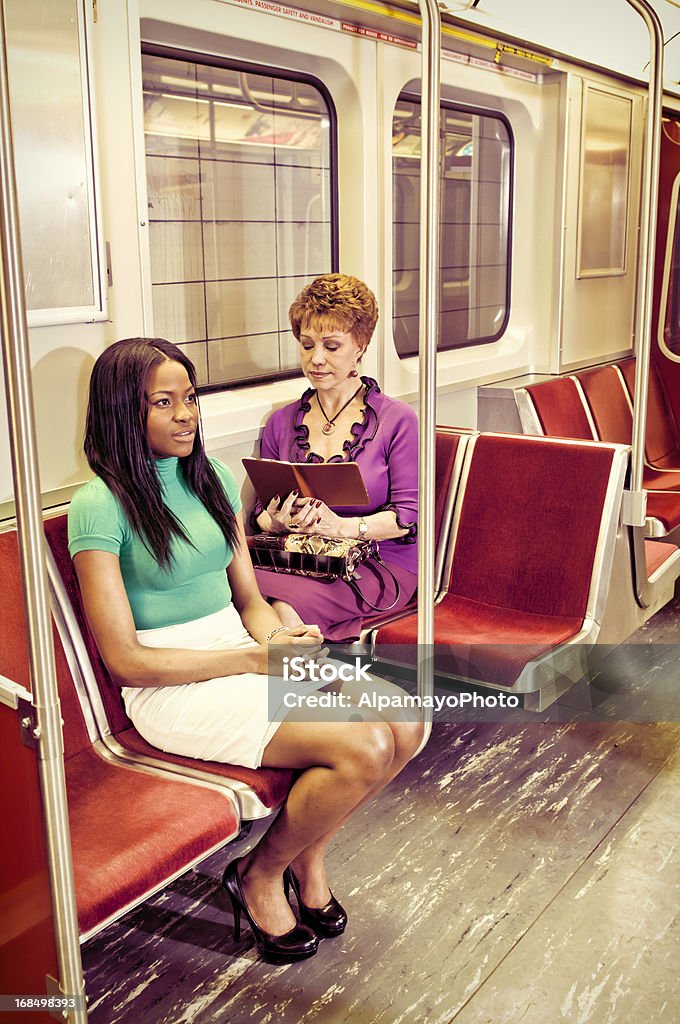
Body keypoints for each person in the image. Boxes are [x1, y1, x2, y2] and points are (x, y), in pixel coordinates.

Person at [68, 337, 423, 965]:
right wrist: (253, 660)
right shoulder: (99, 505)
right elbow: (126, 660)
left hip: (239, 649)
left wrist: (275, 640)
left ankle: (305, 855)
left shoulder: (214, 479)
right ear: (125, 411)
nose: (186, 415)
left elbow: (251, 602)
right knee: (362, 745)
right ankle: (260, 874)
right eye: (163, 403)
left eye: (190, 398)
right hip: (172, 684)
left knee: (406, 718)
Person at [252, 274, 418, 641]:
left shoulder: (397, 419)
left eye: (331, 346)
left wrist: (340, 527)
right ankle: (306, 682)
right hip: (300, 558)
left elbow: (406, 520)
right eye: (307, 345)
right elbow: (263, 514)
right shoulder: (281, 423)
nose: (316, 359)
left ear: (360, 345)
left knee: (281, 606)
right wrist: (277, 523)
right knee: (234, 587)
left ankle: (302, 686)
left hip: (378, 560)